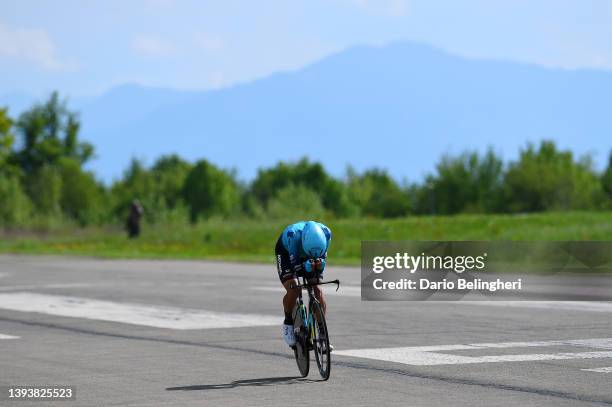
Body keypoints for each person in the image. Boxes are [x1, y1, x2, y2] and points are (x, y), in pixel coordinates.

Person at [275, 220, 331, 347]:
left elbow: (322, 261)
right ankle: (288, 322)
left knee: (317, 289)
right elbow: (295, 265)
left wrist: (318, 267)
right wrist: (304, 267)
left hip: (311, 253)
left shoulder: (327, 233)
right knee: (294, 288)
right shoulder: (292, 235)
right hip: (286, 252)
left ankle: (323, 333)